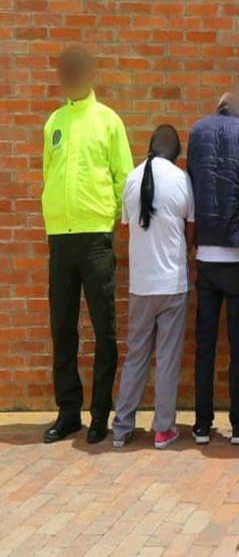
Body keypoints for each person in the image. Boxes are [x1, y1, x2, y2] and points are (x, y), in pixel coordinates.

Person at [41, 46, 134, 444]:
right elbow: (48, 172)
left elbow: (124, 178)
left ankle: (99, 414)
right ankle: (68, 412)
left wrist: (108, 218)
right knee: (62, 328)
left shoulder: (108, 121)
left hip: (95, 238)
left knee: (103, 329)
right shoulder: (54, 122)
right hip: (60, 239)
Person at [187, 92, 239, 445]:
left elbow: (192, 184)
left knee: (205, 345)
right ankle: (238, 422)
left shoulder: (197, 131)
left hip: (205, 252)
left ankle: (202, 424)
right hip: (236, 254)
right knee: (238, 346)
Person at [112, 125, 195, 449]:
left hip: (140, 285)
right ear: (175, 153)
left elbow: (126, 228)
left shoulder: (131, 180)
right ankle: (163, 430)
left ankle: (121, 428)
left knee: (136, 356)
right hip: (172, 284)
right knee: (167, 359)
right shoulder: (181, 179)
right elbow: (191, 231)